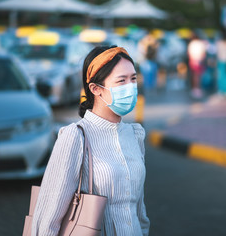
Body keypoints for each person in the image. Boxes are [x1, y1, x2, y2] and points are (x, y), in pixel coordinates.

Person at [31, 45, 150, 236]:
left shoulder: (135, 135)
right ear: (96, 89)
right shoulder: (75, 136)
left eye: (133, 79)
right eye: (121, 81)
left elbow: (139, 208)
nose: (130, 87)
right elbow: (47, 216)